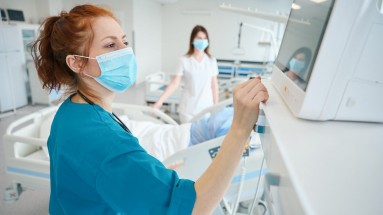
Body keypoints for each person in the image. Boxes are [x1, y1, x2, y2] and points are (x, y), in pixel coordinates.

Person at [32, 4, 268, 214]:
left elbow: (100, 178)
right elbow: (192, 208)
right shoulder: (106, 141)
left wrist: (148, 172)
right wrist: (239, 129)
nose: (125, 52)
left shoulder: (69, 112)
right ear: (77, 62)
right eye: (110, 45)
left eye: (124, 41)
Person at [153, 25, 219, 123]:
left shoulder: (211, 60)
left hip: (206, 109)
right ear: (192, 40)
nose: (202, 41)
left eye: (205, 38)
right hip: (188, 110)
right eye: (199, 38)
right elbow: (174, 84)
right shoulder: (184, 60)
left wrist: (216, 107)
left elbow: (214, 85)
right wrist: (159, 102)